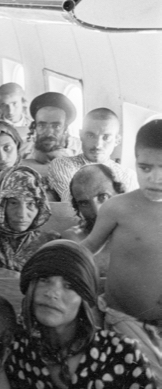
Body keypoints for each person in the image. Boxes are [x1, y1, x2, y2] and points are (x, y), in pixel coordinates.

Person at [7, 240, 157, 388]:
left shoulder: (120, 352)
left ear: (83, 299)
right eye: (44, 279)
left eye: (69, 286)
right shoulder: (17, 351)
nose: (52, 293)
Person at [79, 119, 162, 381]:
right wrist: (54, 259)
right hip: (124, 318)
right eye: (145, 167)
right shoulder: (119, 207)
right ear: (134, 161)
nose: (155, 177)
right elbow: (88, 247)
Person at [0, 166, 60, 278]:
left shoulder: (50, 243)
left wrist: (18, 278)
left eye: (31, 204)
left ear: (40, 207)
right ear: (1, 205)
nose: (21, 214)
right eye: (13, 203)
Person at [47, 107, 137, 202]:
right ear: (81, 135)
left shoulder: (128, 176)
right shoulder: (63, 165)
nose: (97, 144)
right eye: (91, 135)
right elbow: (75, 203)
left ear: (117, 140)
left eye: (106, 137)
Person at [61, 163, 125, 244]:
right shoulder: (75, 239)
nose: (96, 211)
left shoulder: (141, 231)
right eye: (84, 203)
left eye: (103, 197)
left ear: (119, 193)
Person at [20, 92, 82, 164]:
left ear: (65, 128)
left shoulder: (81, 149)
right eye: (42, 126)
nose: (48, 133)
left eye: (56, 126)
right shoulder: (21, 147)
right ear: (35, 126)